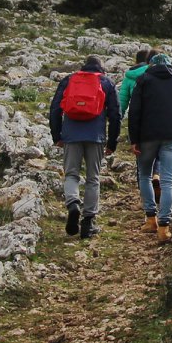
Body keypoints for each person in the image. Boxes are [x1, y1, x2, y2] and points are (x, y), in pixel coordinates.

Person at [127, 54, 172, 242]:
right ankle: (164, 228)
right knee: (168, 181)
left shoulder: (143, 79)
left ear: (151, 65)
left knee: (144, 175)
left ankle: (151, 220)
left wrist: (133, 139)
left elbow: (134, 111)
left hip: (146, 136)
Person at [47, 55, 120, 240]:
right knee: (93, 178)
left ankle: (73, 204)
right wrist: (112, 142)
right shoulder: (106, 82)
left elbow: (55, 108)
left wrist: (57, 135)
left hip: (71, 135)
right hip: (95, 136)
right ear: (101, 69)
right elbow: (115, 115)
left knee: (71, 174)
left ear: (83, 66)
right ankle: (88, 222)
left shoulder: (69, 80)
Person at [119, 49, 154, 116]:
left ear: (136, 60)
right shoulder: (153, 73)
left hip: (137, 114)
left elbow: (122, 102)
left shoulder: (129, 76)